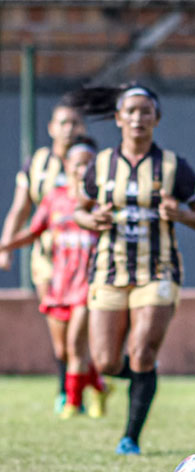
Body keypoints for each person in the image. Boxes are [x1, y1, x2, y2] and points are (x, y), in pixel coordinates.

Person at [68, 83, 195, 455]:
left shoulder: (172, 166)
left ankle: (130, 437)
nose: (137, 117)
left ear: (156, 118)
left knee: (143, 353)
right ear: (118, 119)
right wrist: (92, 218)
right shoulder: (101, 165)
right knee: (104, 361)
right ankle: (142, 381)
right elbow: (79, 212)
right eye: (130, 111)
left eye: (145, 111)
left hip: (158, 271)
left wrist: (181, 213)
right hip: (108, 272)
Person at [0, 135, 111, 419]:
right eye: (77, 164)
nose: (81, 169)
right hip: (60, 282)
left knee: (76, 344)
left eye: (88, 164)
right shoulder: (54, 198)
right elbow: (35, 231)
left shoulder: (104, 200)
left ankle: (72, 404)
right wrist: (6, 245)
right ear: (67, 165)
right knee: (63, 350)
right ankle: (98, 386)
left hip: (90, 283)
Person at [0, 99, 86, 414]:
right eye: (63, 122)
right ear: (51, 128)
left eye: (75, 123)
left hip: (85, 259)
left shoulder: (92, 162)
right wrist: (5, 247)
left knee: (82, 331)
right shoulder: (37, 163)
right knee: (59, 331)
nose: (69, 129)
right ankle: (66, 388)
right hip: (48, 260)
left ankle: (80, 389)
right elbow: (20, 209)